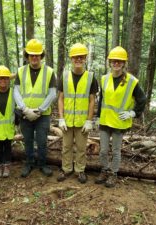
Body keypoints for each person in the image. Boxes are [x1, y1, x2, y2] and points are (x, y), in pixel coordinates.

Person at [95, 46, 146, 188]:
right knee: (104, 150)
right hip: (105, 120)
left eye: (119, 61)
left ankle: (113, 174)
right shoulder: (104, 79)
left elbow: (142, 99)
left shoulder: (131, 81)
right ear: (110, 62)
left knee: (116, 151)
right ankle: (104, 170)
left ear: (124, 63)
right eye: (114, 61)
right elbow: (102, 100)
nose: (116, 64)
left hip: (119, 122)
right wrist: (97, 116)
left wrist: (133, 113)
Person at [13, 39, 57, 178]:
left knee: (42, 140)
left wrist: (39, 110)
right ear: (27, 56)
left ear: (41, 56)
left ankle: (42, 164)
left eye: (37, 55)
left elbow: (52, 93)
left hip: (42, 115)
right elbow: (16, 91)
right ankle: (29, 163)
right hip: (25, 114)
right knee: (28, 140)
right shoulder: (21, 71)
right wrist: (25, 109)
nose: (34, 57)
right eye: (31, 55)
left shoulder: (49, 72)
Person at [57, 43, 98, 184]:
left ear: (85, 58)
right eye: (76, 57)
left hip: (82, 122)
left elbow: (92, 101)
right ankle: (66, 169)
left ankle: (80, 170)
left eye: (81, 57)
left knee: (81, 148)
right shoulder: (65, 76)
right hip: (67, 121)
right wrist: (61, 118)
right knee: (66, 147)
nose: (78, 60)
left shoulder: (91, 77)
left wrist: (89, 120)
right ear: (71, 59)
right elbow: (61, 98)